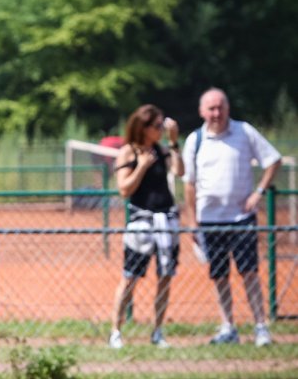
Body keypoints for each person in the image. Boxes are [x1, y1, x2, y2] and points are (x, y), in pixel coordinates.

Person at [182, 88, 282, 346]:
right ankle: (228, 327)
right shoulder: (195, 140)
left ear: (228, 108)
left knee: (249, 272)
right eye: (211, 108)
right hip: (209, 220)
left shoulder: (244, 132)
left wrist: (258, 192)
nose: (216, 113)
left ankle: (261, 327)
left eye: (220, 107)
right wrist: (192, 221)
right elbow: (189, 184)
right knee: (219, 275)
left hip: (241, 218)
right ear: (202, 111)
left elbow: (273, 160)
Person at [109, 105, 184, 349]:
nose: (161, 130)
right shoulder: (128, 152)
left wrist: (174, 143)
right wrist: (141, 166)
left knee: (165, 278)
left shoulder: (162, 150)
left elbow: (179, 171)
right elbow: (124, 189)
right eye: (157, 126)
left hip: (166, 221)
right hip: (141, 223)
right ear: (143, 127)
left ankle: (158, 332)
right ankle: (116, 331)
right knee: (130, 278)